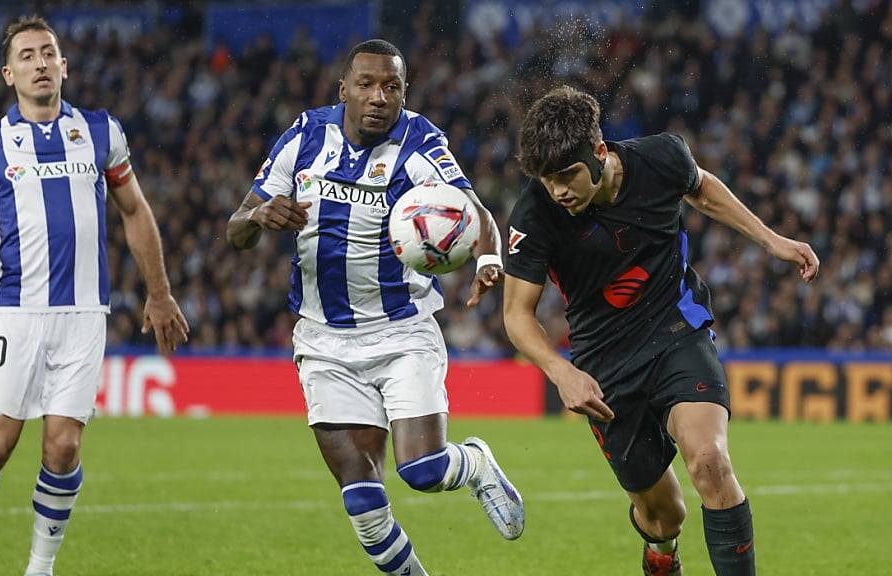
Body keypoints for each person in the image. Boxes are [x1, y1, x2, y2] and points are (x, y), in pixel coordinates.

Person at [226, 39, 524, 575]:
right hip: (322, 340)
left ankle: (475, 463)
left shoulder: (420, 141)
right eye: (366, 84)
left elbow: (474, 209)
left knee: (423, 468)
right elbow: (237, 229)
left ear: (404, 93)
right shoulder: (304, 136)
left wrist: (486, 260)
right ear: (343, 90)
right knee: (363, 501)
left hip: (401, 331)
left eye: (392, 86)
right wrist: (259, 217)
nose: (378, 97)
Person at [503, 86, 819, 576]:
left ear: (600, 152)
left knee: (710, 462)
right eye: (547, 180)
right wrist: (559, 371)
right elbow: (517, 314)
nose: (558, 190)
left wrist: (771, 240)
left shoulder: (661, 157)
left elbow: (702, 187)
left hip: (675, 331)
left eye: (567, 175)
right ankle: (661, 554)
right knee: (663, 516)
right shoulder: (535, 212)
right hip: (603, 367)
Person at [0, 16, 188, 576]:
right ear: (8, 73)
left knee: (63, 448)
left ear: (65, 65)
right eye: (28, 55)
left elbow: (135, 210)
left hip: (86, 315)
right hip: (17, 313)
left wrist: (158, 293)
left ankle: (40, 569)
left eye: (49, 53)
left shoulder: (100, 131)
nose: (40, 63)